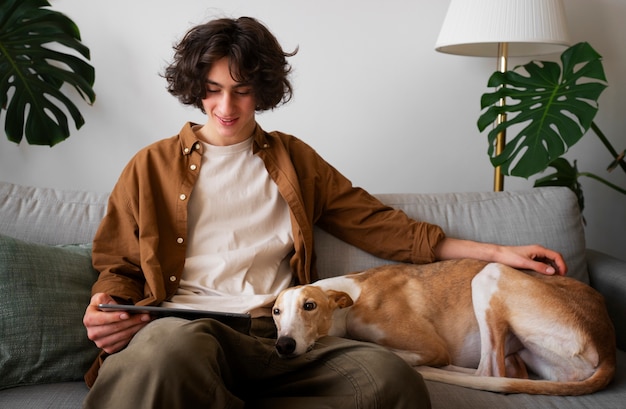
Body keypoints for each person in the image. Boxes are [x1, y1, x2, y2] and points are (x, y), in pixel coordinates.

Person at [82, 16, 566, 409]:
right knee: (169, 353)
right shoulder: (150, 165)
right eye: (211, 89)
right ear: (194, 88)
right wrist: (106, 307)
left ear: (263, 89)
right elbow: (117, 264)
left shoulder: (295, 160)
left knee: (390, 381)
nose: (225, 106)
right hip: (183, 331)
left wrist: (501, 253)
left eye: (241, 90)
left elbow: (382, 227)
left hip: (277, 336)